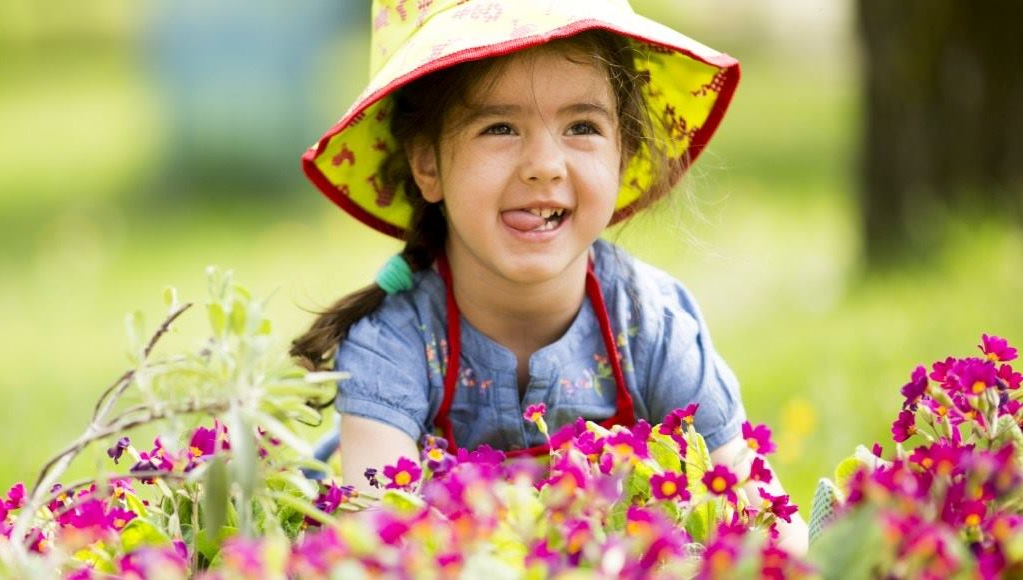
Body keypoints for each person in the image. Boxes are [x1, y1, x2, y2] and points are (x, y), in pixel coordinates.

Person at [290, 0, 808, 551]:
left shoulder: (650, 324)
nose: (544, 164)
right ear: (427, 164)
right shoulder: (393, 342)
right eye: (500, 127)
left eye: (582, 126)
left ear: (623, 153)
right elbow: (378, 546)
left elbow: (768, 521)